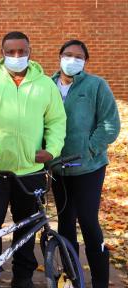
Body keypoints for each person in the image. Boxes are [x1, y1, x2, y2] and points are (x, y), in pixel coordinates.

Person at [0, 31, 66, 288]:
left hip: (31, 170)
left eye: (21, 51)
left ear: (30, 51)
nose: (16, 56)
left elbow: (56, 121)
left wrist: (52, 150)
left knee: (28, 228)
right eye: (10, 52)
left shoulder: (45, 85)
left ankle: (23, 277)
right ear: (1, 53)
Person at [51, 40, 120, 288]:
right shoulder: (47, 86)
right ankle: (71, 277)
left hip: (88, 167)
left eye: (78, 56)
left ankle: (100, 280)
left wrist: (90, 148)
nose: (72, 60)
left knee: (88, 221)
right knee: (65, 222)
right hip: (58, 168)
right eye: (68, 54)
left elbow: (110, 124)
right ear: (59, 57)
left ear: (85, 61)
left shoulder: (96, 85)